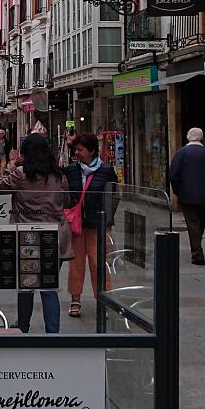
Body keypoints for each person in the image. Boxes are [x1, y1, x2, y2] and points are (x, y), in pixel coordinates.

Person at [0, 134, 72, 333]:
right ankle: (53, 333)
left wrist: (11, 167)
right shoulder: (59, 176)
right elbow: (67, 201)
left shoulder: (20, 174)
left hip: (26, 236)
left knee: (26, 286)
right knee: (49, 287)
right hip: (54, 236)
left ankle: (23, 328)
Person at [65, 133, 118, 317]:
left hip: (98, 225)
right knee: (76, 263)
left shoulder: (106, 171)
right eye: (76, 149)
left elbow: (114, 196)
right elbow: (65, 194)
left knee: (99, 263)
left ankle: (103, 300)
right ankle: (75, 299)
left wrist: (106, 218)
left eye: (80, 149)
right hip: (77, 226)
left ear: (92, 150)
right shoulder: (71, 170)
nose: (77, 153)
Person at [169, 127, 205, 265]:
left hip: (187, 195)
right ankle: (197, 248)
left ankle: (197, 253)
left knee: (192, 223)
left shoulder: (181, 153)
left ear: (188, 137)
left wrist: (178, 190)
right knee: (200, 222)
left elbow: (173, 174)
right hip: (203, 196)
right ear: (201, 138)